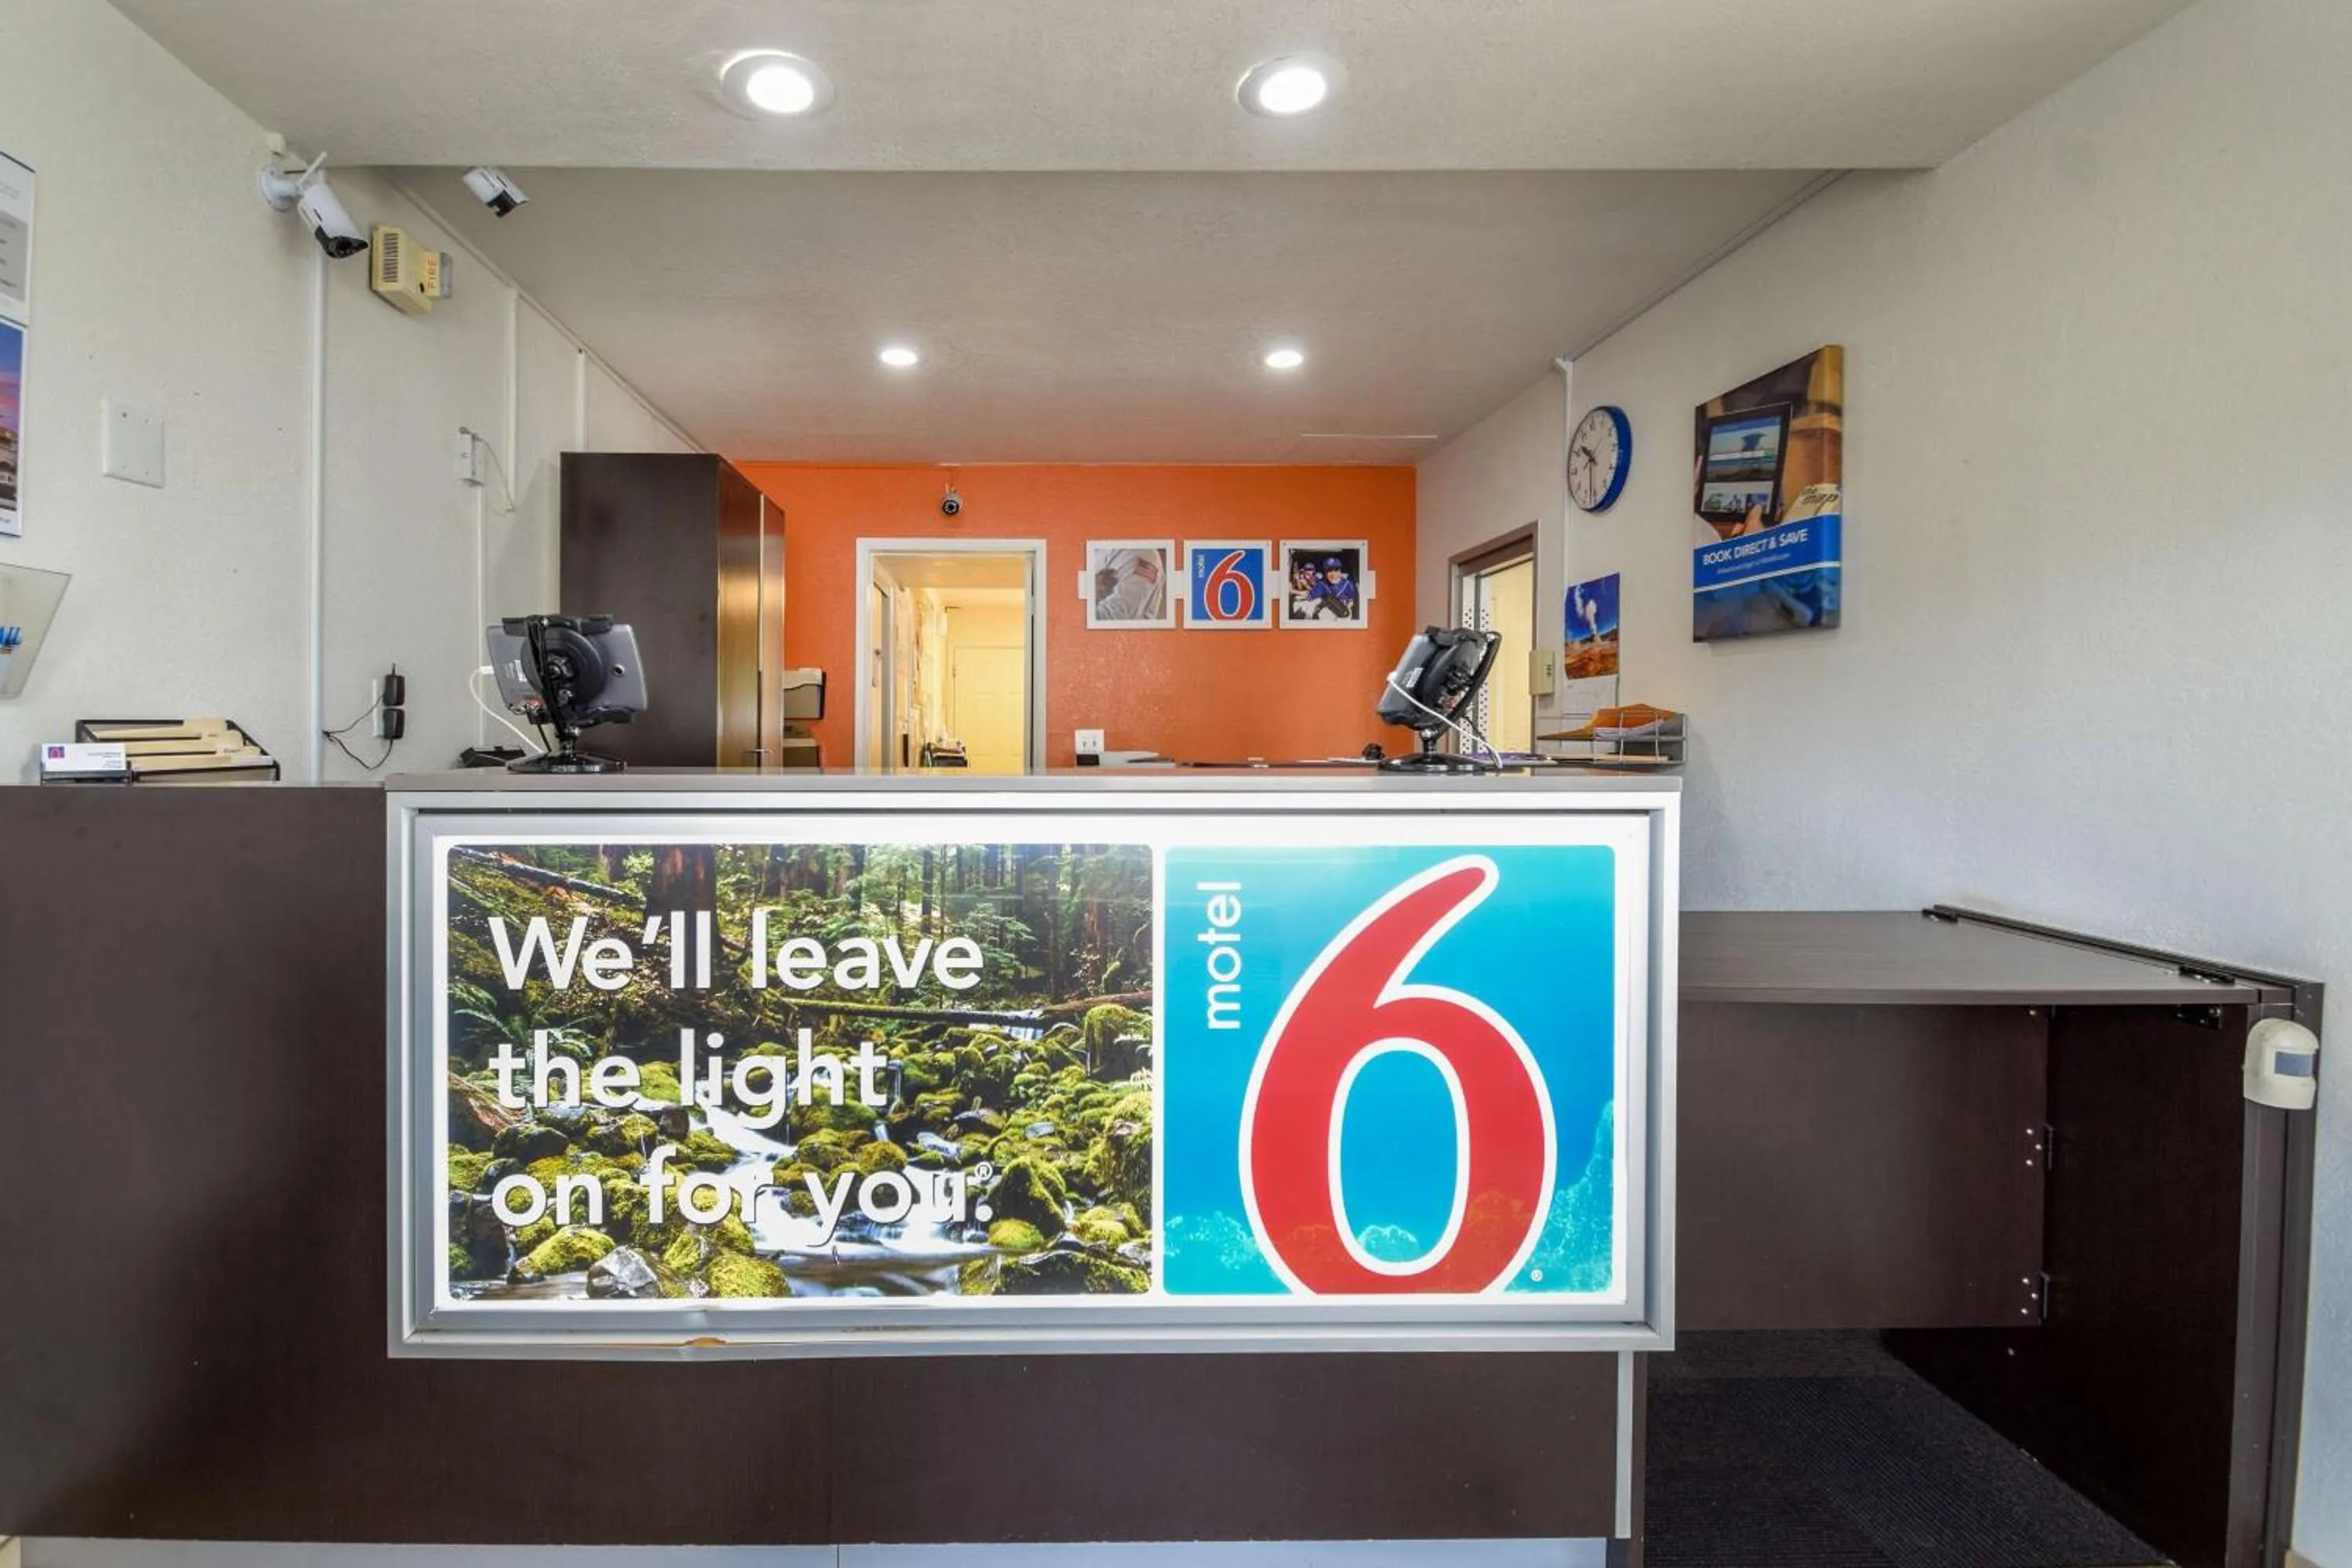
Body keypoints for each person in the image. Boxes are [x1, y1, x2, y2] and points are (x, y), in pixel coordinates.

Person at [1310, 556, 1359, 620]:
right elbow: (1311, 595)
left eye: (1336, 569)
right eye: (1329, 570)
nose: (1333, 573)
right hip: (1326, 611)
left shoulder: (1348, 584)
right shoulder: (1321, 583)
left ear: (1340, 570)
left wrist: (1347, 609)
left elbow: (1351, 600)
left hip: (1343, 612)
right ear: (1325, 572)